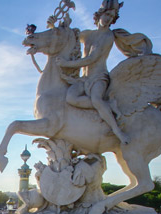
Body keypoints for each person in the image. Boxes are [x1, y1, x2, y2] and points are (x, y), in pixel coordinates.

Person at [57, 0, 150, 145]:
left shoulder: (108, 36)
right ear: (99, 15)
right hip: (84, 78)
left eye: (112, 17)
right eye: (107, 14)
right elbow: (69, 37)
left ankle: (117, 131)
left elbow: (91, 58)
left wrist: (67, 64)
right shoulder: (88, 34)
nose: (108, 19)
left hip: (99, 77)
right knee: (70, 98)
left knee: (96, 100)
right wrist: (56, 26)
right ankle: (109, 106)